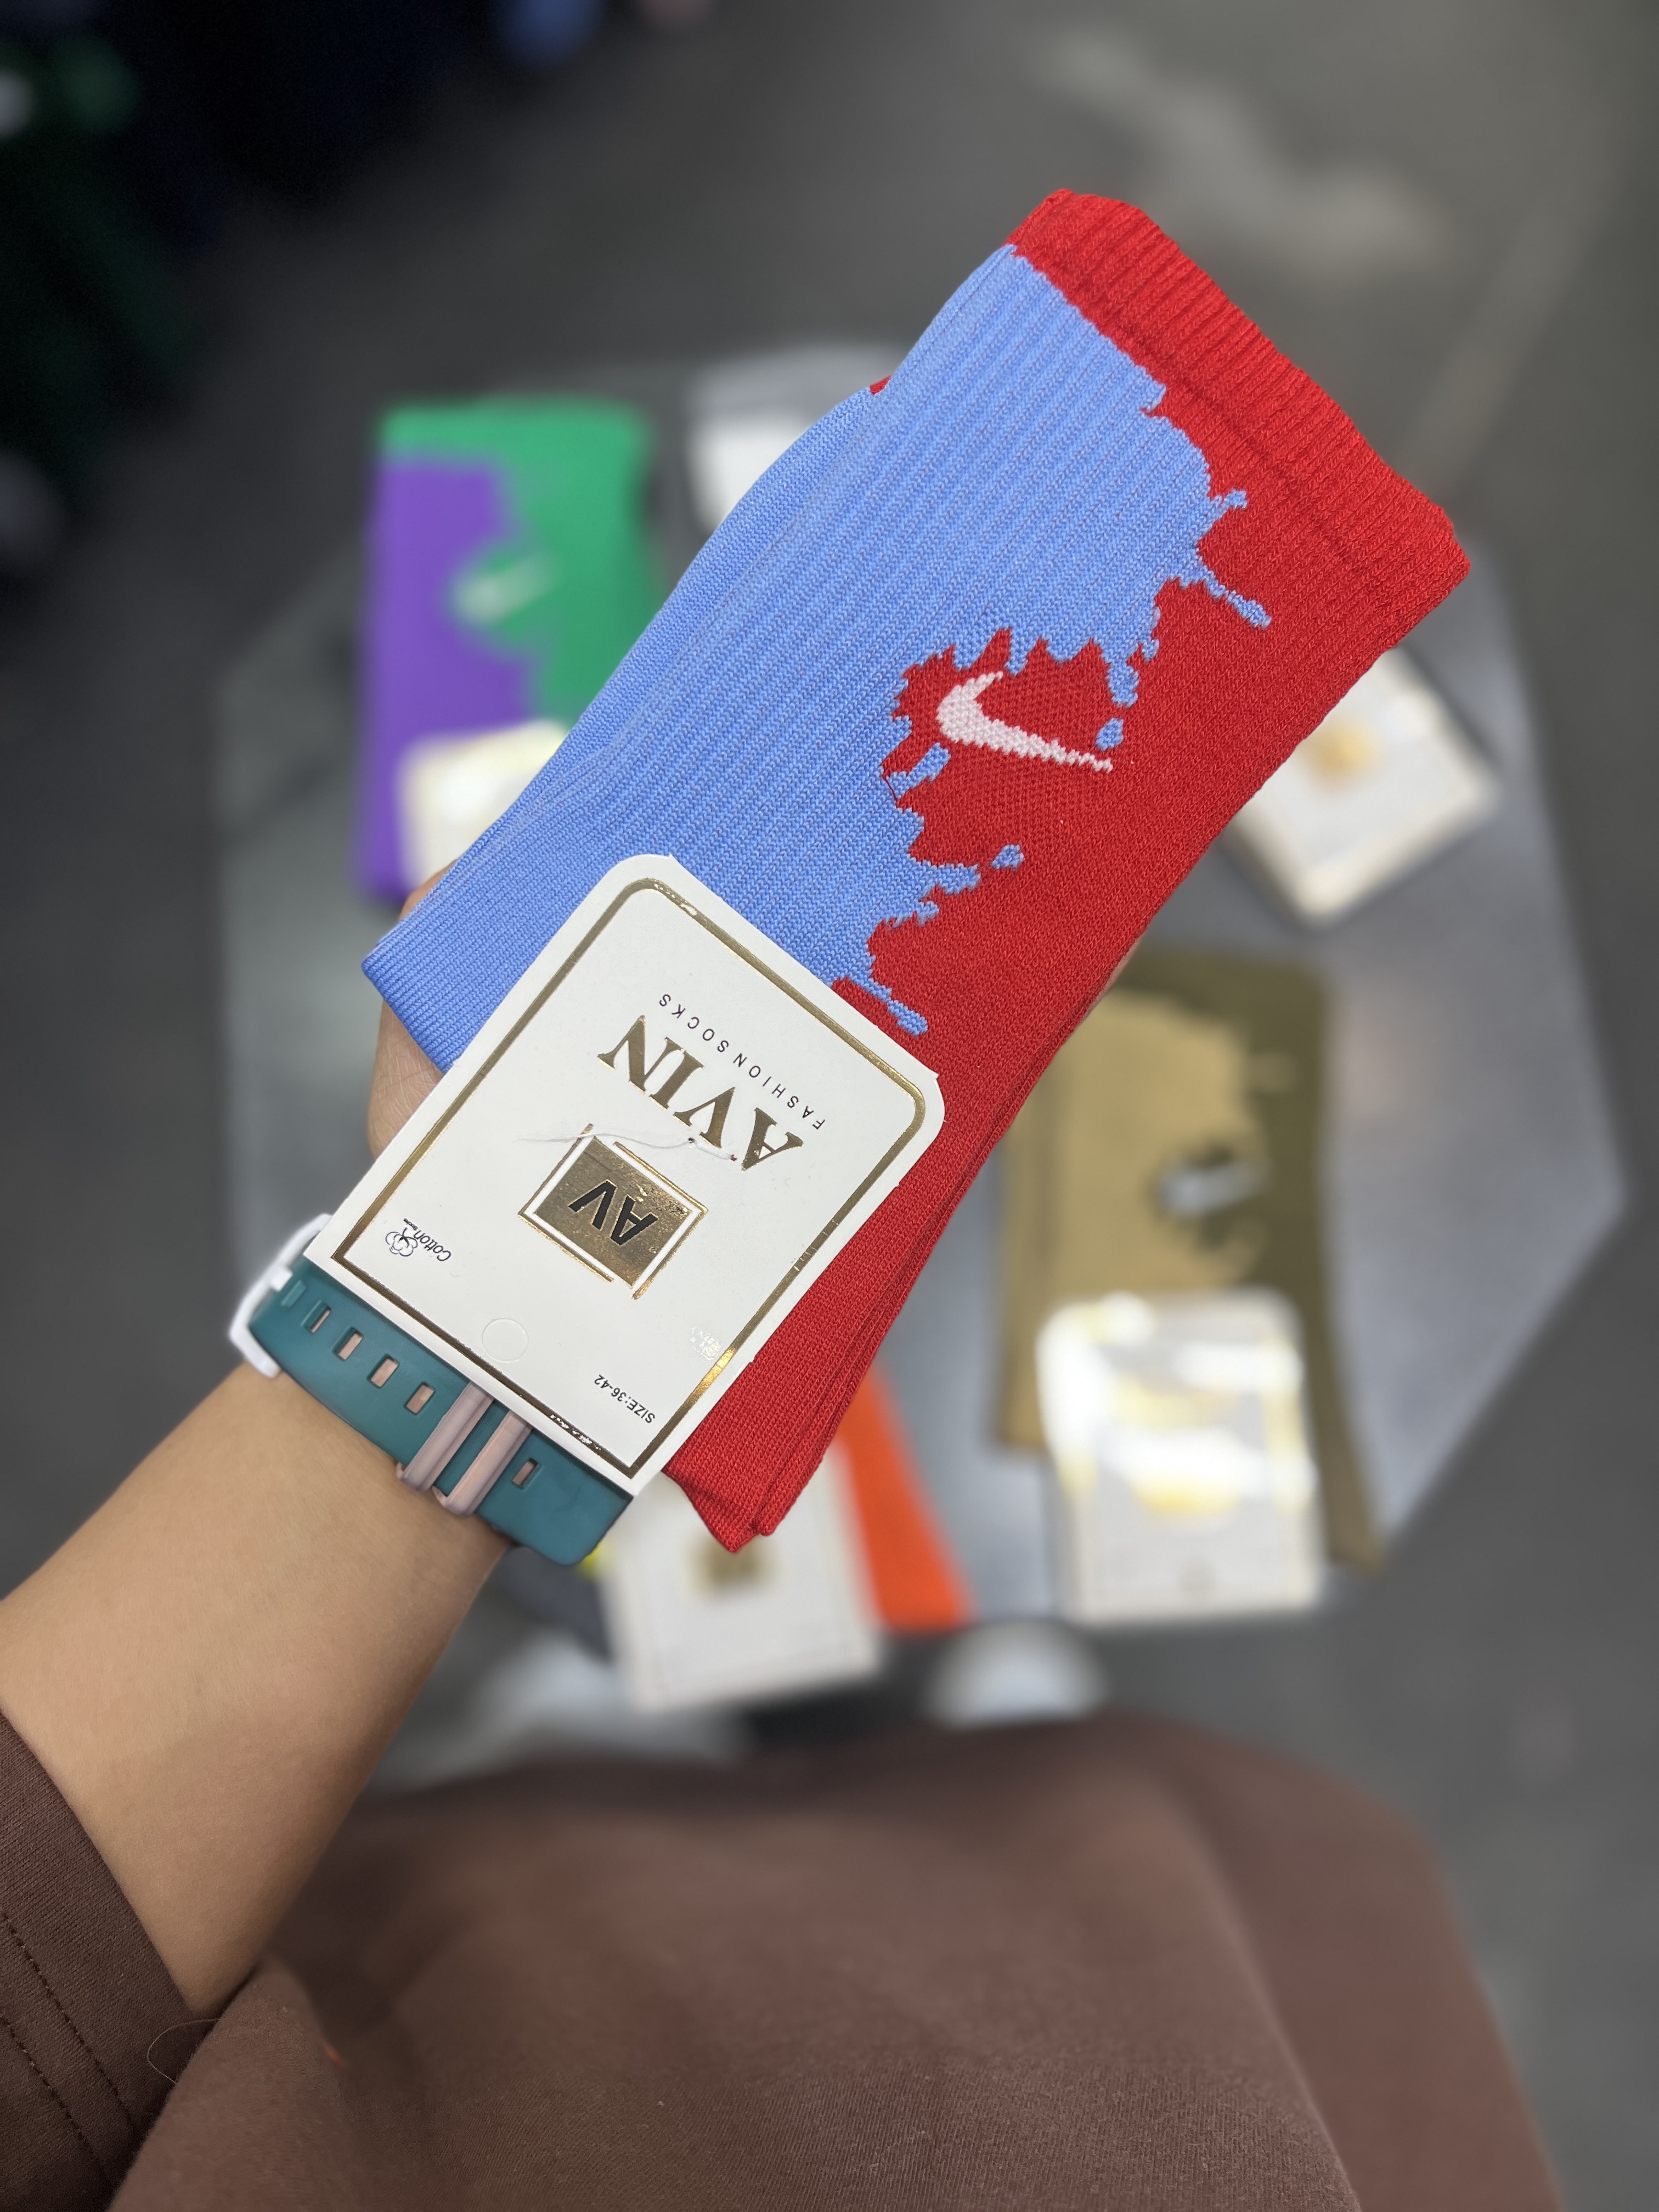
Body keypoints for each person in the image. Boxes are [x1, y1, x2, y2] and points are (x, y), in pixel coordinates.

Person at [0, 995, 1560, 2211]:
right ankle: (1011, 1772)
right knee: (1082, 1832)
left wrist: (479, 1295)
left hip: (449, 2022)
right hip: (1161, 2049)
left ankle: (676, 1754)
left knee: (557, 1825)